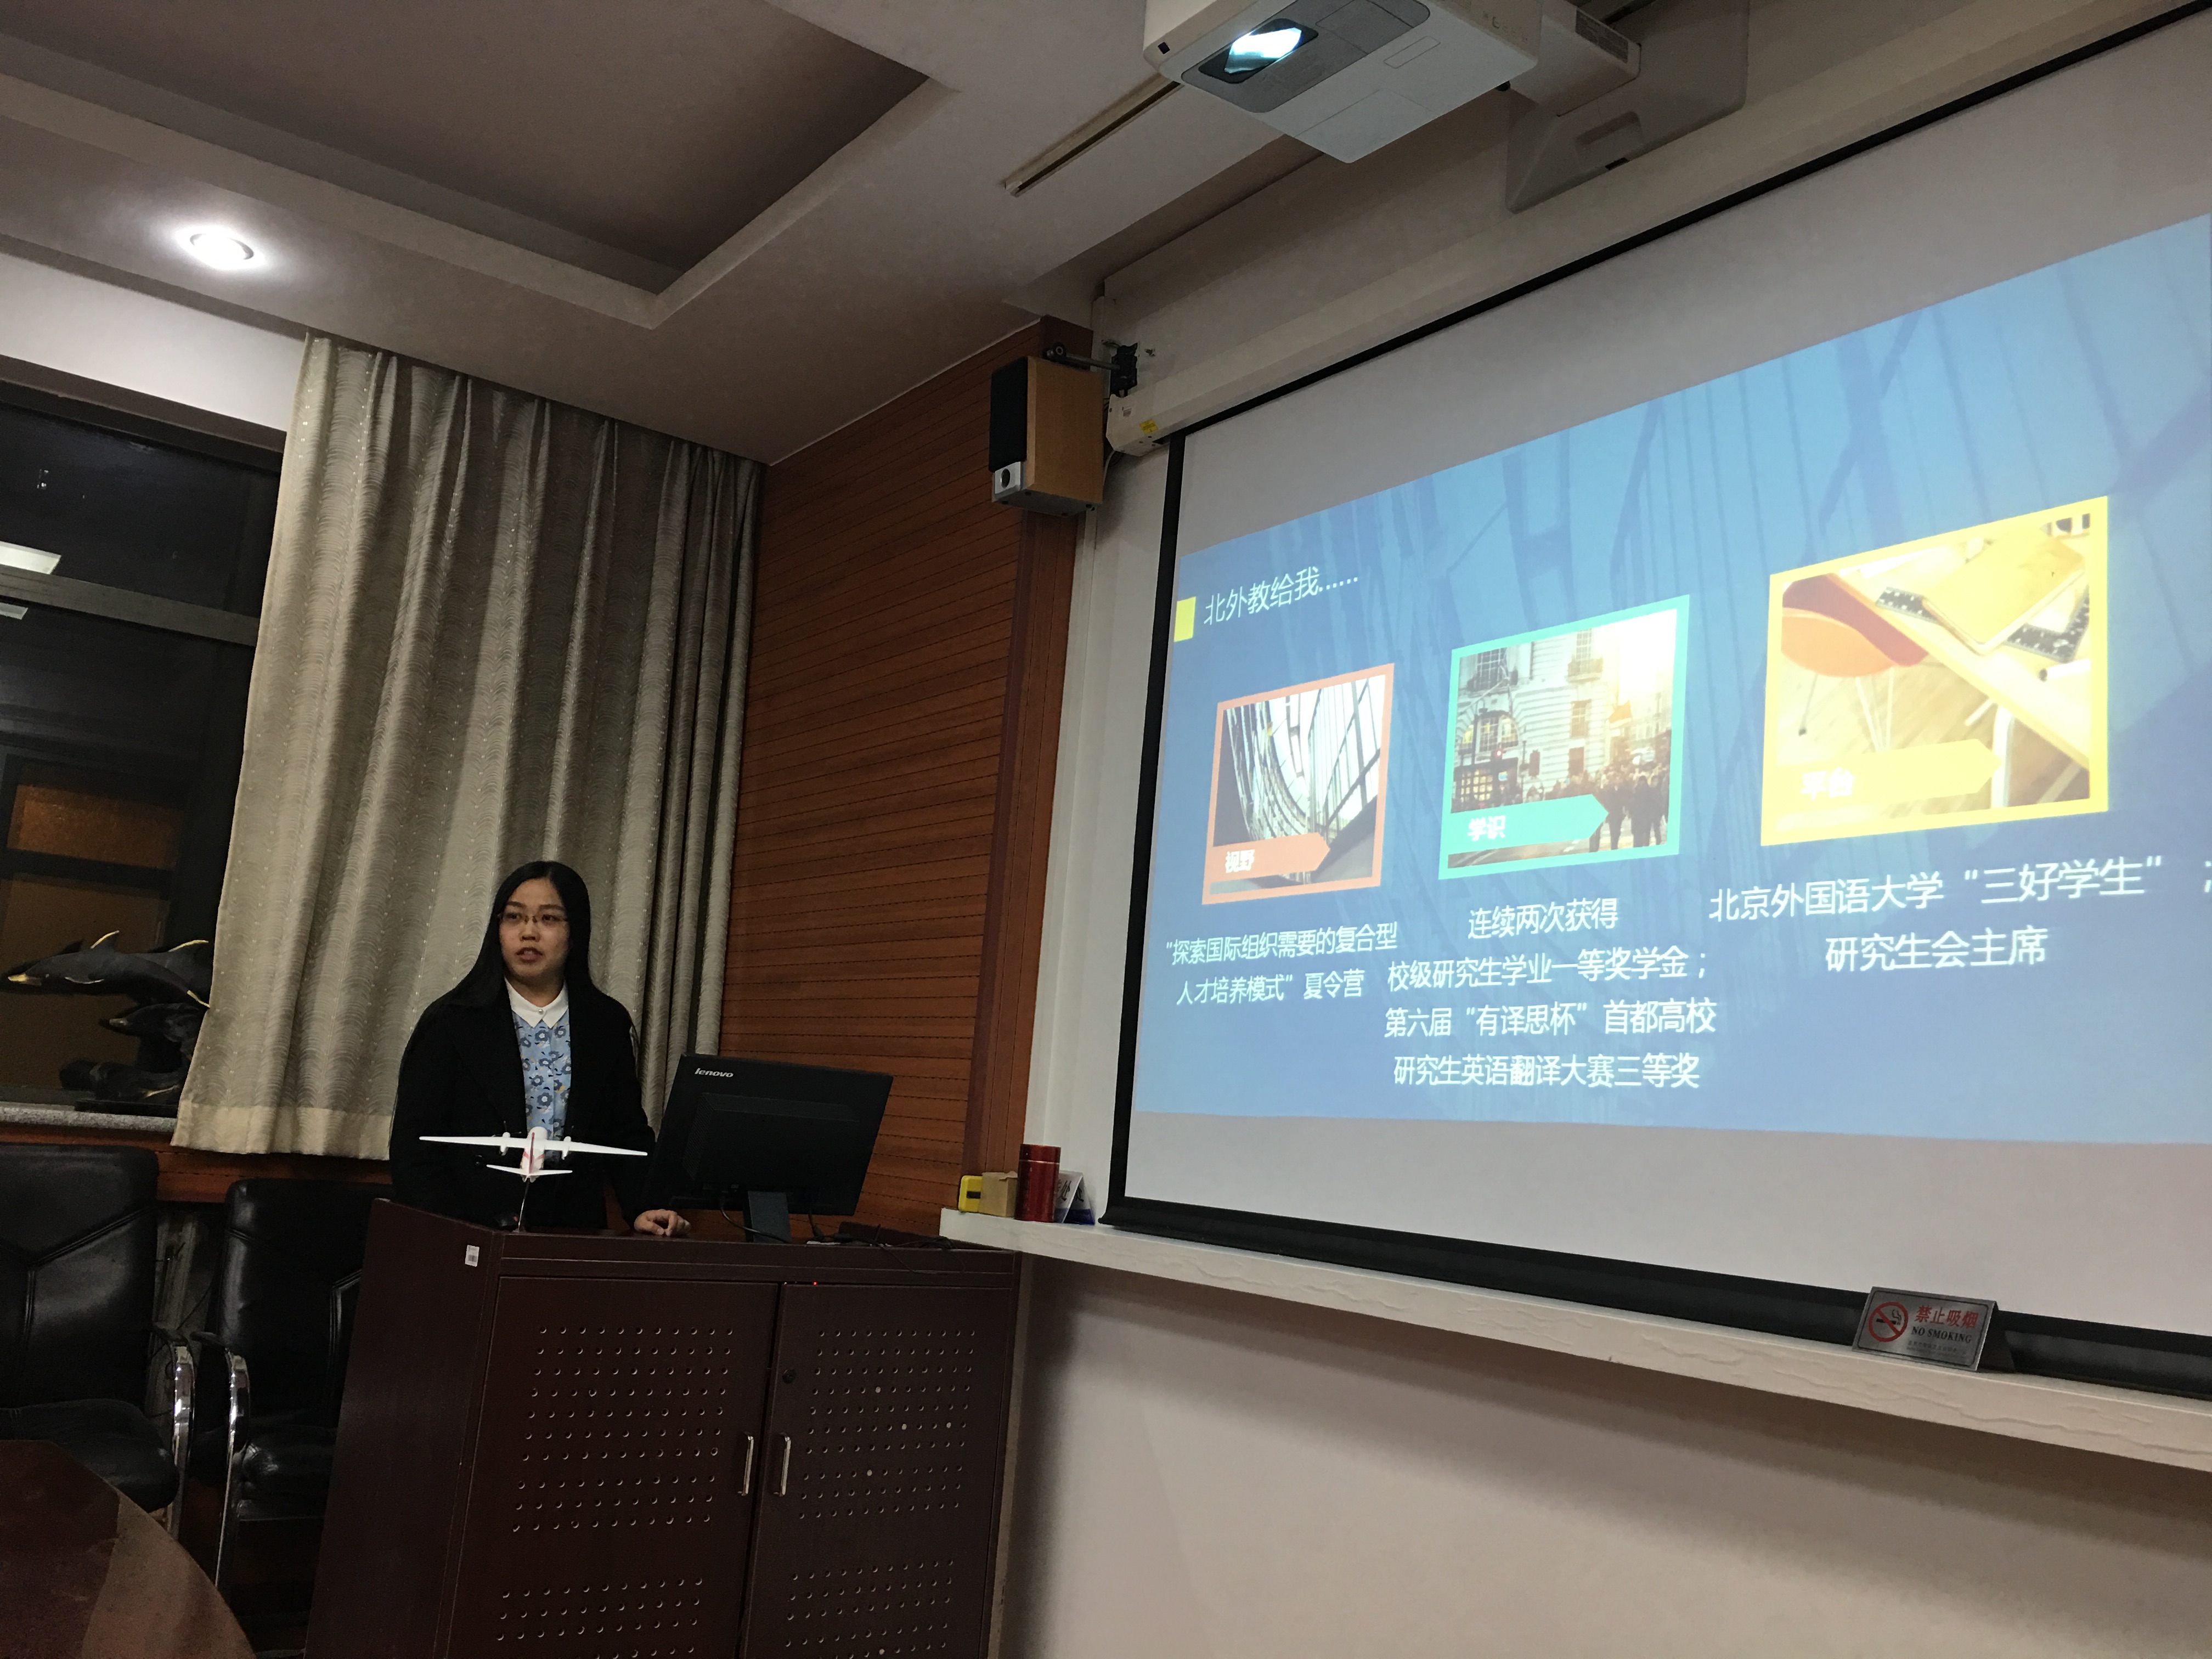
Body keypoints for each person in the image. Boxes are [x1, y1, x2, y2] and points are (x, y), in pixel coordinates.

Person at [391, 860, 690, 1236]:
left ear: (575, 931)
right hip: (464, 1230)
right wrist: (453, 1229)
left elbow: (626, 1133)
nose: (528, 933)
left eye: (548, 919)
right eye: (514, 917)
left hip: (572, 1232)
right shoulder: (451, 1021)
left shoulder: (606, 1024)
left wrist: (646, 1207)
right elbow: (415, 1147)